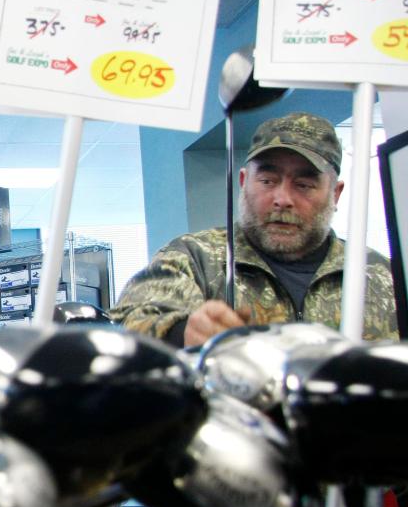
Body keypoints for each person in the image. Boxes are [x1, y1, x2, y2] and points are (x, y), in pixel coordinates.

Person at [110, 112, 397, 347]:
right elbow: (127, 324)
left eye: (304, 185)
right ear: (244, 182)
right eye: (268, 181)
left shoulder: (383, 276)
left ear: (336, 194)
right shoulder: (196, 260)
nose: (282, 199)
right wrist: (181, 332)